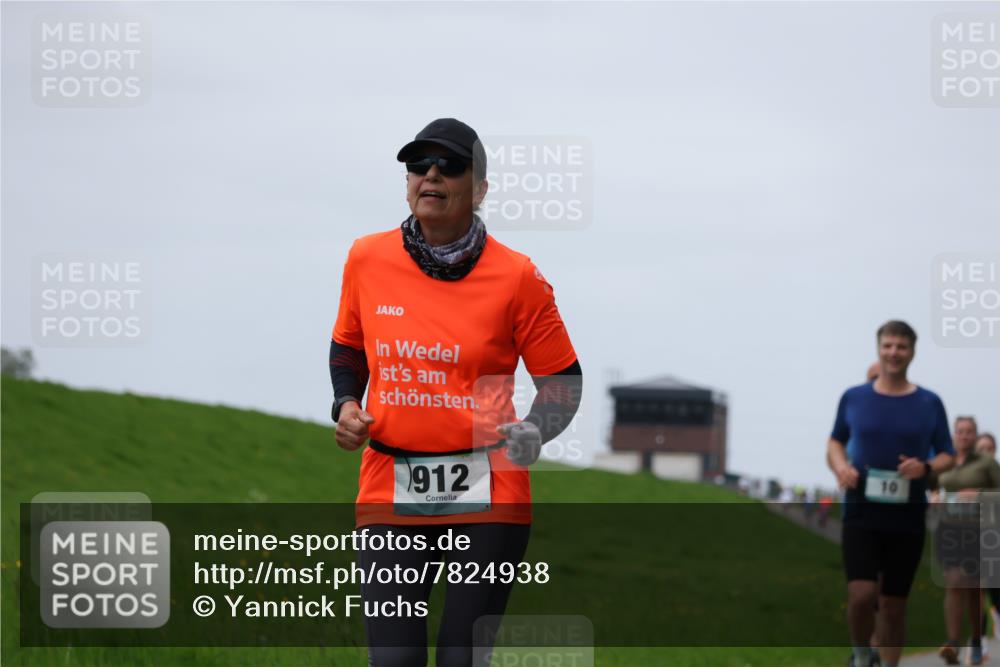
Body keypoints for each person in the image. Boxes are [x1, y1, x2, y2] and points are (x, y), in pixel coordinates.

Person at [330, 118, 582, 667]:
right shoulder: (367, 258)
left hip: (490, 494)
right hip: (390, 488)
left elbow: (563, 382)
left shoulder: (518, 278)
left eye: (451, 165)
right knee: (394, 661)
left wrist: (536, 431)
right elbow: (349, 348)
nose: (432, 174)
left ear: (481, 188)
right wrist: (347, 404)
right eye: (419, 164)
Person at [826, 320, 955, 667]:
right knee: (861, 594)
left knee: (894, 605)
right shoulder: (854, 397)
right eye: (888, 346)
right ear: (878, 348)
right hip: (861, 510)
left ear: (912, 352)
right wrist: (840, 467)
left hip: (906, 514)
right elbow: (835, 441)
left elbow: (947, 453)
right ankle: (862, 655)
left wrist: (925, 468)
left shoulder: (929, 402)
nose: (893, 353)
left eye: (901, 347)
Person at [929, 416, 1000, 665]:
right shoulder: (945, 461)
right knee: (954, 580)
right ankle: (952, 643)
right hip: (948, 529)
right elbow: (931, 484)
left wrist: (979, 494)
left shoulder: (987, 463)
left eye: (970, 432)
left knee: (974, 588)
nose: (965, 436)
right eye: (960, 431)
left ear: (975, 435)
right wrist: (935, 495)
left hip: (979, 530)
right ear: (954, 434)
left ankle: (977, 640)